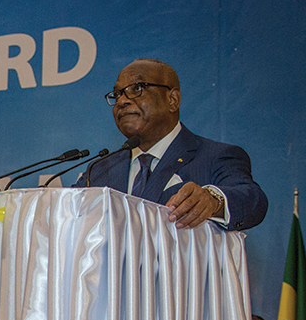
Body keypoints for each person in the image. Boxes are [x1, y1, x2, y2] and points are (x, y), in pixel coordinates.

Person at [78, 58, 268, 231]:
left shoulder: (216, 156)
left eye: (136, 89)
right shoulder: (100, 170)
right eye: (117, 94)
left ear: (172, 100)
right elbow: (66, 213)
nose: (122, 100)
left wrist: (213, 200)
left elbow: (251, 200)